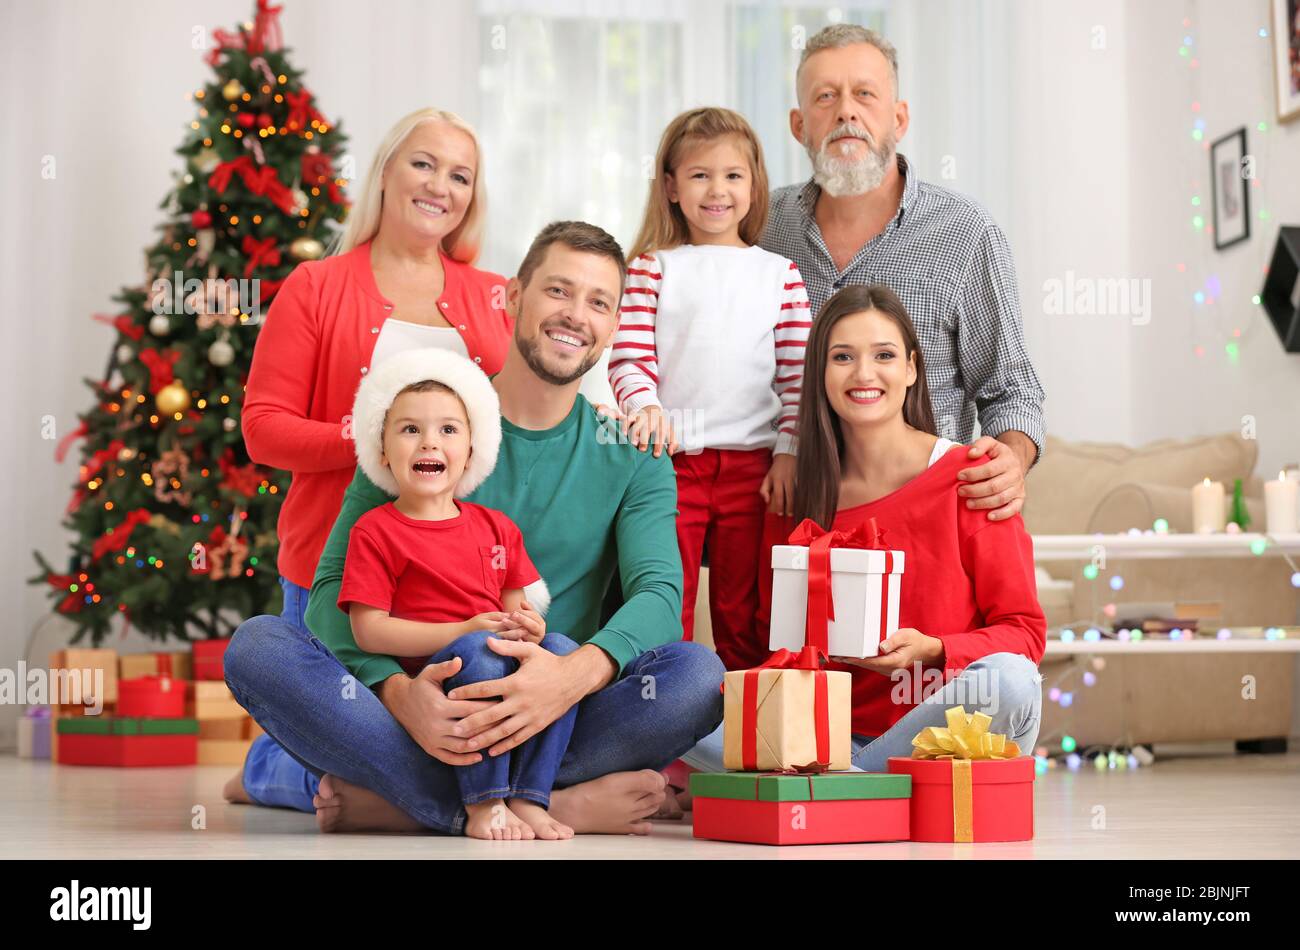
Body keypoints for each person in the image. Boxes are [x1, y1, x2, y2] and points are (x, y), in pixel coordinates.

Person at [224, 221, 725, 836]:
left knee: (698, 678)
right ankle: (539, 804)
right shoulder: (427, 429)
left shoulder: (630, 453)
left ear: (614, 325)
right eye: (558, 291)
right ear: (514, 297)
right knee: (258, 648)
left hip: (559, 712)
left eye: (599, 302)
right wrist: (395, 694)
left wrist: (569, 679)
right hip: (421, 715)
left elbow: (659, 597)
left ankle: (427, 803)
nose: (575, 315)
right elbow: (331, 594)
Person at [683, 284, 1045, 776]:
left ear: (912, 368)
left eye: (884, 355)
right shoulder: (793, 493)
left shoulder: (972, 477)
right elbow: (765, 643)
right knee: (671, 690)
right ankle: (854, 787)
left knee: (1012, 680)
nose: (864, 374)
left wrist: (935, 650)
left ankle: (840, 789)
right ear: (820, 373)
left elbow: (1024, 634)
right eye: (842, 357)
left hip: (931, 734)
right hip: (813, 739)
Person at [761, 24, 1047, 523]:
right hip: (791, 520)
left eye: (864, 94)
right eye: (825, 96)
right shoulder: (761, 227)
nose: (846, 111)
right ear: (799, 125)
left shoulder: (965, 232)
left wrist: (1011, 461)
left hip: (926, 519)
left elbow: (1011, 390)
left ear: (899, 118)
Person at [339, 348, 576, 840]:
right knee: (477, 653)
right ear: (382, 450)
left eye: (448, 430)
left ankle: (529, 796)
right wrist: (465, 630)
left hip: (496, 663)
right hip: (440, 682)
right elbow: (367, 630)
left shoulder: (496, 527)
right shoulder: (375, 531)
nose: (430, 442)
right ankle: (483, 803)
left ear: (472, 450)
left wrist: (530, 628)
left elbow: (518, 613)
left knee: (561, 654)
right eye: (410, 430)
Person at [609, 107, 812, 668]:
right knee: (661, 602)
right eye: (699, 175)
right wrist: (645, 407)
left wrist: (789, 453)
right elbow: (628, 359)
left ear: (754, 184)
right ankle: (659, 715)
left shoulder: (780, 274)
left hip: (756, 471)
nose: (716, 190)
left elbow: (798, 375)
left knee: (744, 609)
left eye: (732, 175)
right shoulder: (653, 268)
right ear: (671, 186)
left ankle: (745, 730)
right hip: (672, 465)